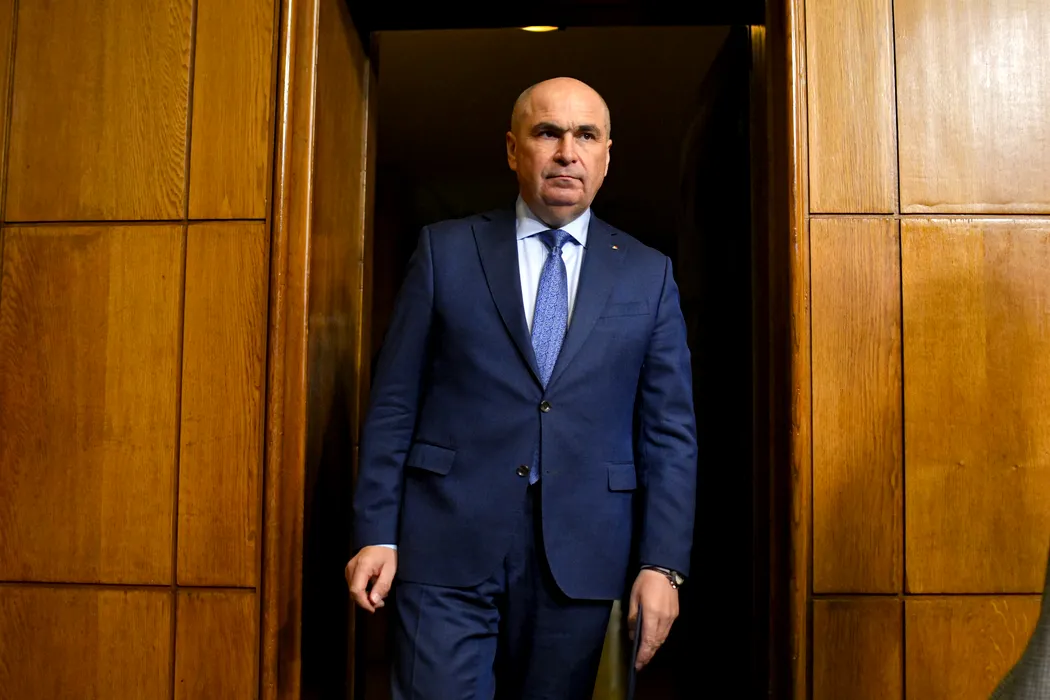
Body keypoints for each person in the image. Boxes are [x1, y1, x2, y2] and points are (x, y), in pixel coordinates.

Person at [345, 76, 698, 699]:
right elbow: (395, 402)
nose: (567, 152)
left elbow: (669, 435)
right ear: (513, 149)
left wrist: (662, 564)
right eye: (548, 133)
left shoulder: (649, 273)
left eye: (585, 135)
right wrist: (377, 531)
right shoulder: (445, 251)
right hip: (445, 542)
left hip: (584, 553)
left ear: (607, 155)